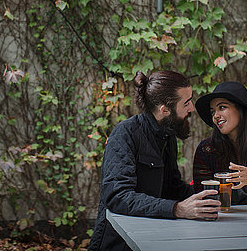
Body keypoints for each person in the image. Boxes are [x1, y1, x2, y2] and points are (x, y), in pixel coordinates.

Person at [89, 70, 221, 251]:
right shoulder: (125, 134)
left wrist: (213, 194)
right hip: (118, 244)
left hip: (151, 240)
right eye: (186, 103)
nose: (191, 108)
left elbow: (172, 187)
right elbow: (117, 196)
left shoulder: (168, 137)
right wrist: (177, 209)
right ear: (164, 109)